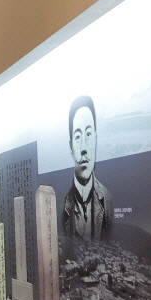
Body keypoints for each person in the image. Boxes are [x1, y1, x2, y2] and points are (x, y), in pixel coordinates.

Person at [61, 94, 112, 240]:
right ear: (71, 146)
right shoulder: (62, 205)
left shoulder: (108, 199)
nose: (84, 148)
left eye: (88, 134)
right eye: (77, 137)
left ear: (96, 139)